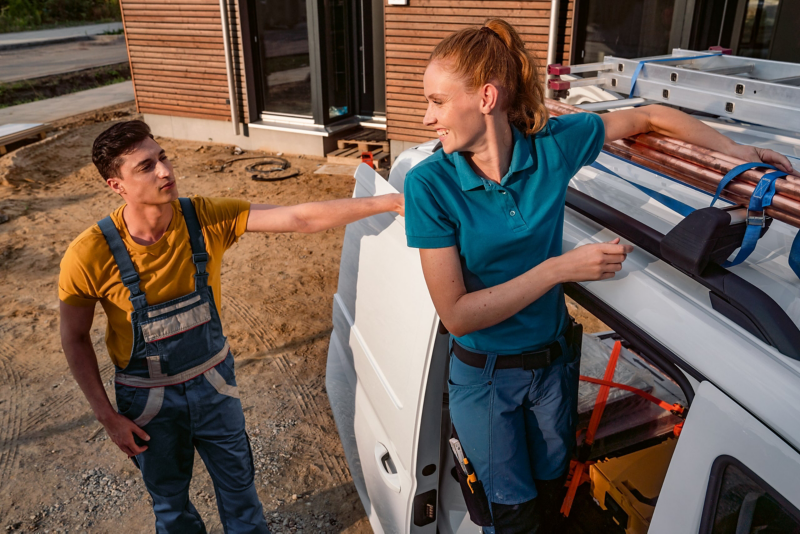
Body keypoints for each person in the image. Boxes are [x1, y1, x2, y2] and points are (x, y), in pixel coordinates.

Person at [403, 19, 797, 534]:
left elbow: (650, 116)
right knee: (514, 518)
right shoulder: (428, 185)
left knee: (556, 491)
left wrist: (739, 155)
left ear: (486, 97)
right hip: (486, 379)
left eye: (436, 100)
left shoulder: (551, 148)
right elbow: (456, 315)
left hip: (551, 371)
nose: (427, 116)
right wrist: (559, 270)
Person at [58, 120, 404, 533]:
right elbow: (75, 338)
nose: (165, 171)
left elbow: (297, 218)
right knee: (170, 504)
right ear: (117, 185)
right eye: (146, 167)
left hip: (214, 387)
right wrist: (107, 416)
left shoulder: (203, 218)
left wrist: (389, 204)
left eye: (162, 156)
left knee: (241, 494)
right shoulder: (88, 254)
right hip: (148, 403)